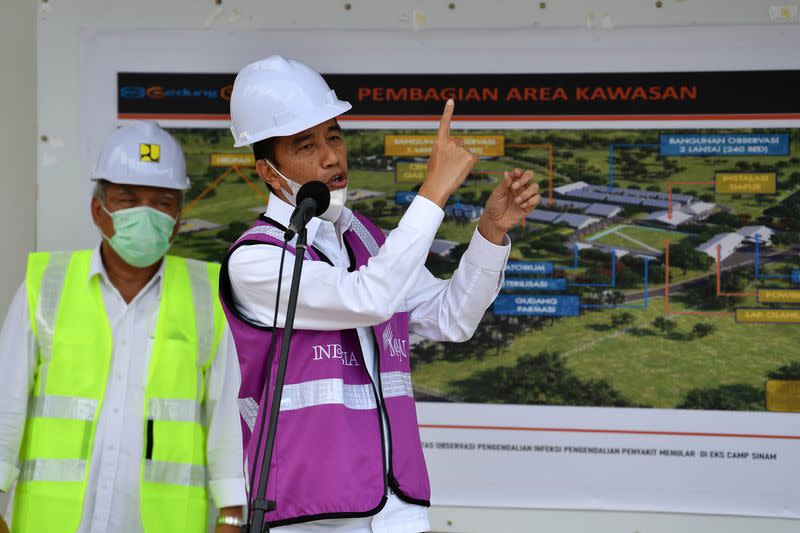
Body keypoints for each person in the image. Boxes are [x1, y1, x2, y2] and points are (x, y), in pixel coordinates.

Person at [219, 56, 541, 532]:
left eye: (334, 135)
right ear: (269, 172)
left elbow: (451, 318)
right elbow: (366, 299)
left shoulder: (368, 240)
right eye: (305, 144)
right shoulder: (255, 261)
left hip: (398, 511)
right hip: (315, 515)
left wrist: (490, 233)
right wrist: (432, 191)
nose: (331, 156)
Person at [0, 122, 246, 533]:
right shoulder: (46, 283)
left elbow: (227, 420)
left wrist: (232, 515)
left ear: (179, 218)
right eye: (128, 199)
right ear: (99, 210)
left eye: (162, 202)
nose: (144, 213)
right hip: (52, 522)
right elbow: (6, 405)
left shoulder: (210, 294)